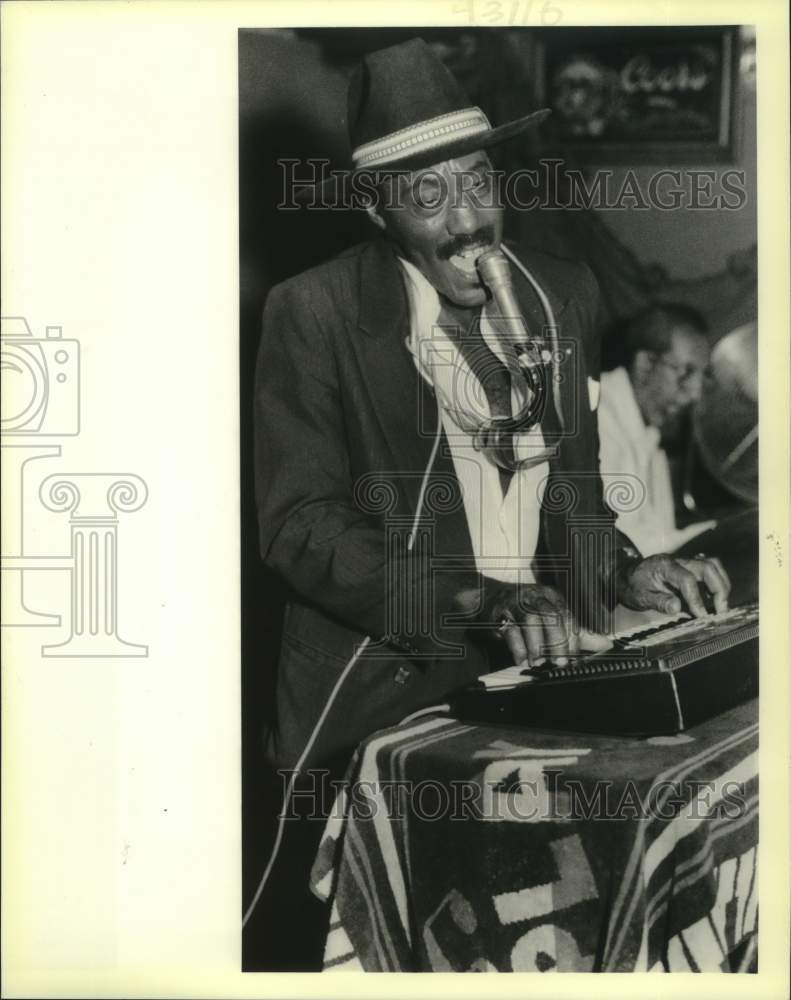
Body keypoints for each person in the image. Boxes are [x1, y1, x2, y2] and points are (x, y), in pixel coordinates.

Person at [247, 38, 731, 965]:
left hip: (532, 687)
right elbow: (299, 529)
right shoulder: (311, 313)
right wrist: (487, 600)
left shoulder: (562, 295)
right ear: (375, 208)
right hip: (380, 698)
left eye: (475, 180)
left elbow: (574, 503)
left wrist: (634, 570)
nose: (469, 221)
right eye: (427, 196)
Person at [598, 304, 717, 556]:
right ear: (644, 364)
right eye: (685, 372)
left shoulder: (650, 432)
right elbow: (621, 548)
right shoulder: (597, 418)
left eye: (703, 376)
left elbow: (660, 534)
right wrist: (726, 533)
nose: (696, 393)